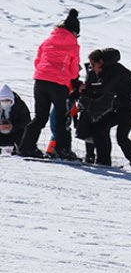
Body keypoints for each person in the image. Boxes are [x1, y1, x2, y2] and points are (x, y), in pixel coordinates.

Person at [18, 9, 81, 160]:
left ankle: (26, 147)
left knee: (40, 117)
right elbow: (73, 71)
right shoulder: (73, 46)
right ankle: (63, 149)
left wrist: (44, 73)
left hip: (40, 81)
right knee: (61, 118)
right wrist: (69, 77)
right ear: (74, 31)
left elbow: (38, 61)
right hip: (58, 84)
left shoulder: (47, 41)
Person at [87, 48, 131, 172]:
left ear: (101, 62)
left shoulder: (115, 71)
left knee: (122, 137)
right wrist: (81, 91)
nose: (92, 68)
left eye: (93, 65)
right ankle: (103, 161)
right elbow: (97, 92)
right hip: (120, 106)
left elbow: (102, 88)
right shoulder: (107, 70)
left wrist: (86, 88)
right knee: (98, 127)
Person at [0, 84, 31, 154]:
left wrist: (13, 126)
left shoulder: (20, 105)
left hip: (15, 133)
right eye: (3, 100)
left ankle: (21, 149)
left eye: (7, 100)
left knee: (25, 134)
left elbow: (27, 121)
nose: (5, 102)